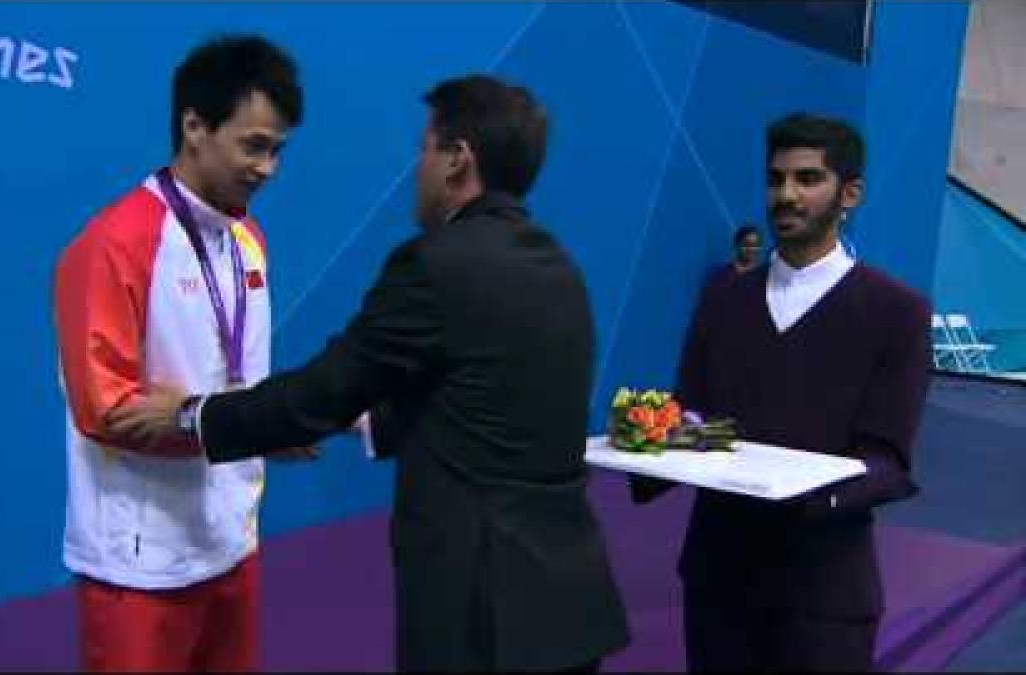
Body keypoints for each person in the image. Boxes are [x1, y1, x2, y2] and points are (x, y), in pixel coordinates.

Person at [108, 74, 630, 672]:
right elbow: (484, 405)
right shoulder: (561, 272)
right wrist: (360, 421)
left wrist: (191, 414)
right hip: (568, 609)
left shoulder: (436, 265)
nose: (418, 169)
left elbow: (324, 390)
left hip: (482, 615)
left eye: (425, 149)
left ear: (458, 159)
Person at [53, 34, 312, 672]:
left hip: (231, 545)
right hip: (138, 567)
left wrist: (258, 426)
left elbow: (238, 387)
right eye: (253, 146)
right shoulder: (115, 243)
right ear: (195, 126)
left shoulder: (249, 239)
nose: (268, 169)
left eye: (278, 150)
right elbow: (107, 412)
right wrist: (236, 422)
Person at [637, 112, 931, 671]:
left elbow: (888, 460)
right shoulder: (723, 296)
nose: (786, 195)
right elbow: (693, 418)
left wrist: (802, 491)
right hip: (719, 578)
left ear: (851, 193)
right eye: (776, 179)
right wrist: (644, 442)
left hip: (822, 592)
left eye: (807, 179)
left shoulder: (897, 313)